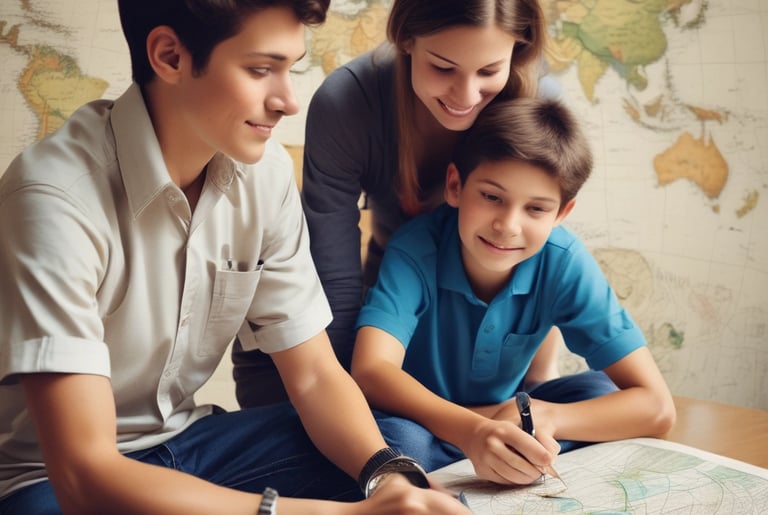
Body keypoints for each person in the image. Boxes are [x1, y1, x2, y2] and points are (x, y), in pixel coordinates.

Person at [0, 1, 471, 514]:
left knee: (402, 445)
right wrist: (348, 514)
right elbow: (84, 477)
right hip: (49, 480)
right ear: (170, 56)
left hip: (189, 443)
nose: (289, 102)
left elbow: (314, 374)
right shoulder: (54, 199)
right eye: (261, 69)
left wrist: (387, 482)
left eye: (291, 69)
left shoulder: (264, 175)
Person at [234, 0, 565, 408]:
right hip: (386, 300)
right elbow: (334, 273)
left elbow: (541, 248)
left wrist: (539, 381)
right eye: (442, 68)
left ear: (520, 49)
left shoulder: (539, 102)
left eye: (489, 71)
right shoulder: (348, 102)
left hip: (482, 317)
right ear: (406, 39)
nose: (465, 95)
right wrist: (348, 402)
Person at [349, 97, 677, 485]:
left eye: (536, 209)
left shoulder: (564, 261)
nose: (507, 226)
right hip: (424, 423)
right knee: (400, 446)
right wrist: (475, 430)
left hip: (511, 416)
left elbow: (658, 408)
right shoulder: (415, 250)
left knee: (597, 390)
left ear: (562, 213)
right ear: (455, 186)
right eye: (492, 197)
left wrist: (548, 416)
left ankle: (511, 450)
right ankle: (509, 452)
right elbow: (371, 371)